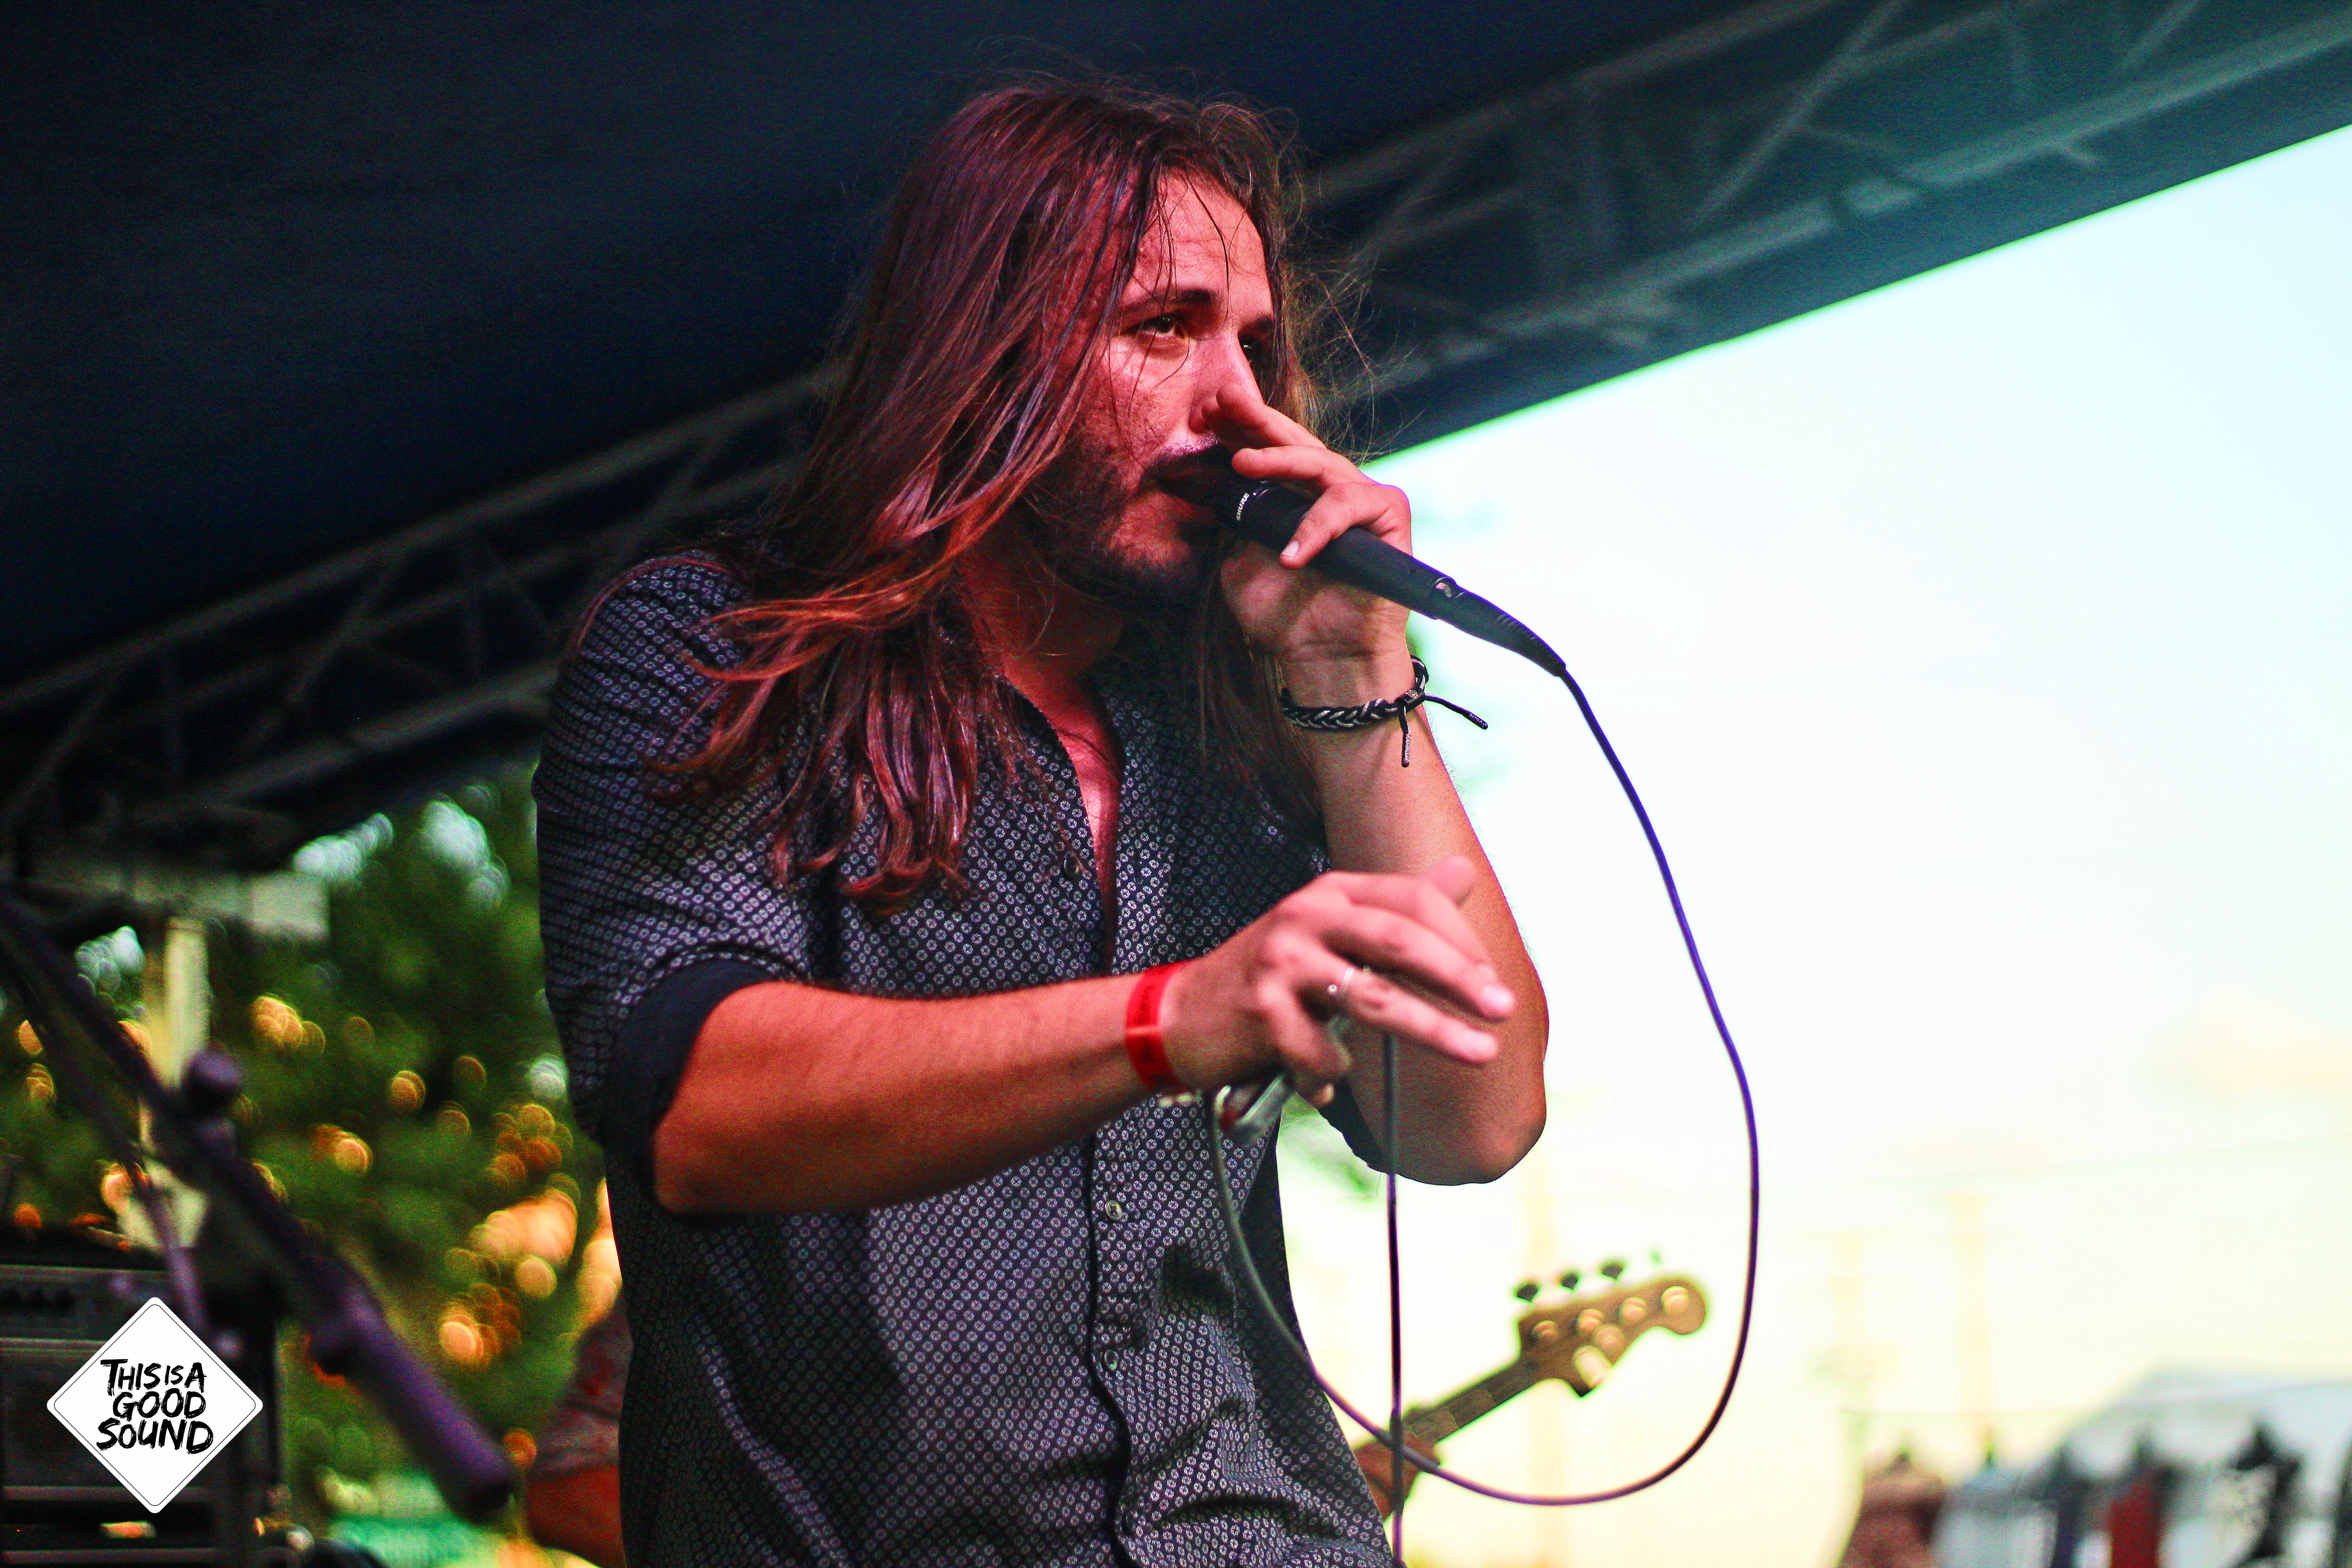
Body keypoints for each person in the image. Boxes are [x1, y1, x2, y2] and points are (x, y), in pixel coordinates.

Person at [534, 77, 1548, 1566]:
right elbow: (691, 1104)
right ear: (984, 353)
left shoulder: (1237, 726)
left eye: (1256, 344)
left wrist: (1353, 673)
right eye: (1165, 327)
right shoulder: (718, 655)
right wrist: (1173, 1017)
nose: (1239, 404)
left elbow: (1474, 1118)